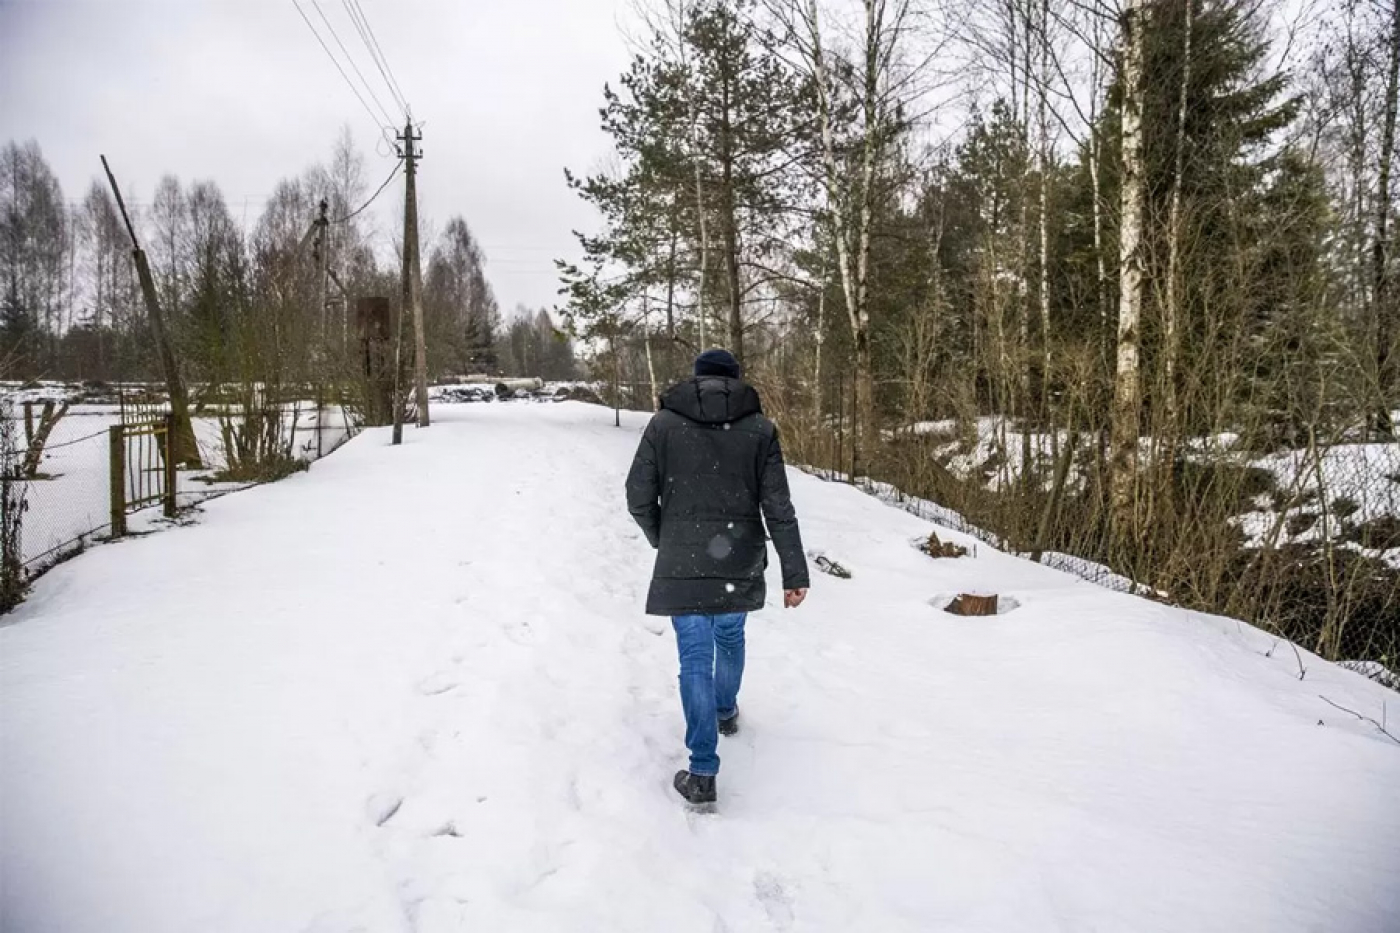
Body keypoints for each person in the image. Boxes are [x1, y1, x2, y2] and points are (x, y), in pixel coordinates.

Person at [625, 348, 809, 807]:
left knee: (693, 657)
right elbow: (778, 507)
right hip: (738, 559)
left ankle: (702, 770)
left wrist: (661, 536)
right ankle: (725, 710)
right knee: (729, 637)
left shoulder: (664, 425)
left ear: (695, 379)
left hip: (682, 561)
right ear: (736, 380)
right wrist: (794, 572)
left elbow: (637, 495)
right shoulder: (760, 430)